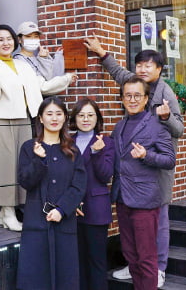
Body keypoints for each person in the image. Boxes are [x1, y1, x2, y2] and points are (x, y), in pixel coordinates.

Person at [84, 33, 183, 288]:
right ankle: (136, 266)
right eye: (139, 65)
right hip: (129, 178)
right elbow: (118, 73)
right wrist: (102, 52)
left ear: (159, 69)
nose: (142, 69)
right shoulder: (131, 90)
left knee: (157, 218)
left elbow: (179, 130)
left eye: (148, 65)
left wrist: (165, 118)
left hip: (155, 168)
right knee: (134, 237)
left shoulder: (165, 93)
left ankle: (158, 267)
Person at [0, 24, 76, 232]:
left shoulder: (22, 66)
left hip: (25, 119)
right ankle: (6, 211)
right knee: (4, 166)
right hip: (2, 119)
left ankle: (17, 208)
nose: (6, 43)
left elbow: (42, 87)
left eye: (9, 39)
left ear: (15, 41)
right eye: (0, 39)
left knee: (23, 165)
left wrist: (66, 79)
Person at [111, 76, 175, 290]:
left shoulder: (156, 125)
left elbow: (169, 159)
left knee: (146, 258)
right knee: (130, 255)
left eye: (137, 95)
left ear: (146, 98)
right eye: (128, 95)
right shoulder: (119, 126)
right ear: (122, 99)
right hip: (122, 198)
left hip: (145, 201)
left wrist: (147, 155)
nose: (132, 99)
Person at [16, 97, 86, 290]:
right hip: (36, 222)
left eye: (58, 114)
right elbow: (25, 182)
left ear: (64, 118)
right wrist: (38, 160)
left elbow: (78, 186)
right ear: (40, 118)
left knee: (65, 276)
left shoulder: (72, 150)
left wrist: (62, 210)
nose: (54, 118)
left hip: (64, 222)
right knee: (35, 277)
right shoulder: (29, 148)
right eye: (49, 114)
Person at [71, 98, 114, 290]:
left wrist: (97, 154)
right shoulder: (67, 142)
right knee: (76, 262)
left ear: (97, 118)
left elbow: (105, 176)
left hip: (96, 211)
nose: (86, 119)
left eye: (90, 115)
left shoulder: (106, 142)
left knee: (96, 263)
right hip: (72, 211)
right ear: (74, 118)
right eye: (81, 115)